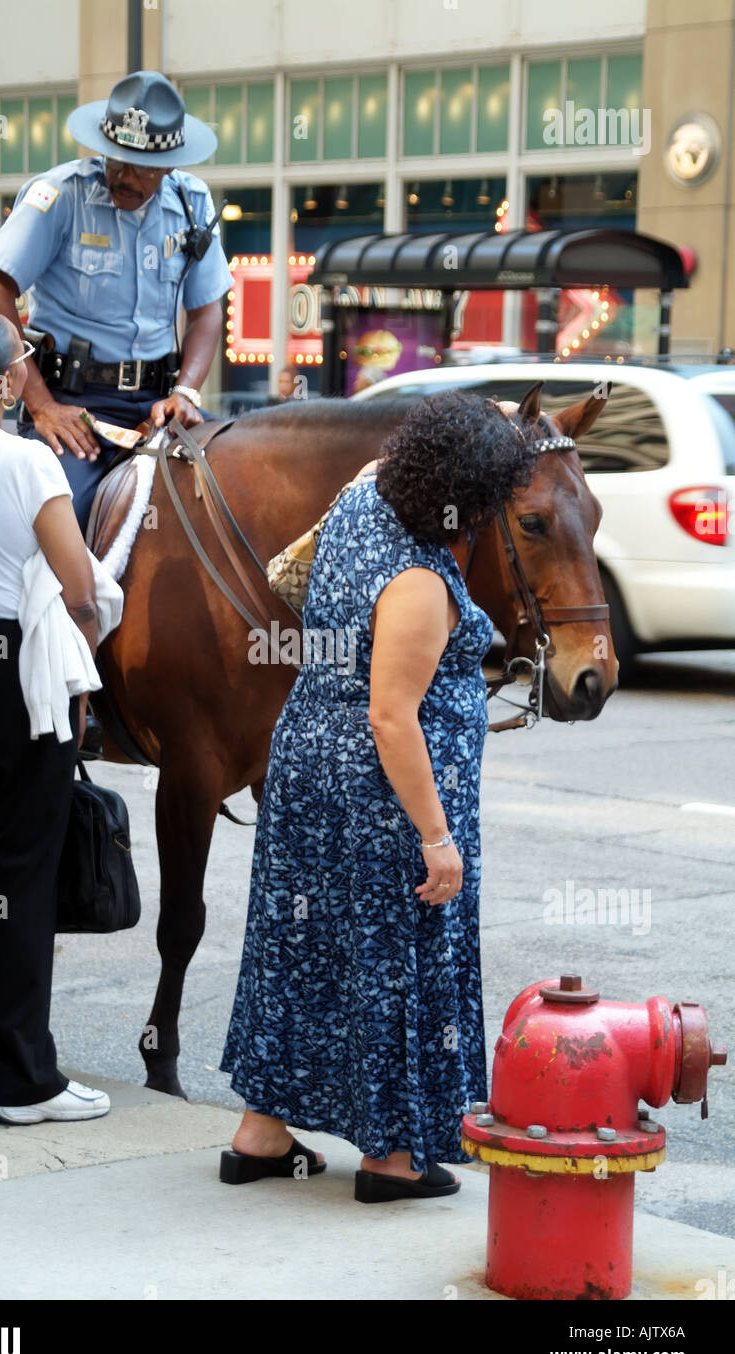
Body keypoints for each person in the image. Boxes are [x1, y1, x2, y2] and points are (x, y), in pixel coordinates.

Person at [219, 392, 535, 1201]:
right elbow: (393, 720)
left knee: (303, 948)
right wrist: (436, 836)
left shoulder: (365, 490)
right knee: (395, 959)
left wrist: (484, 421)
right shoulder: (421, 582)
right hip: (380, 792)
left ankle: (261, 1136)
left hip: (307, 762)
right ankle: (392, 1159)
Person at [0, 308, 110, 1124]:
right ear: (7, 382)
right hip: (18, 679)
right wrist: (80, 664)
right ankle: (26, 1081)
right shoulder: (28, 462)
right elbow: (79, 589)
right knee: (22, 873)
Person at [0, 70, 233, 530]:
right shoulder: (60, 197)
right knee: (57, 523)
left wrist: (185, 391)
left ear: (170, 164)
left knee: (238, 484)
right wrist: (41, 405)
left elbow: (207, 309)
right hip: (77, 407)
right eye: (115, 160)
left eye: (140, 167)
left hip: (160, 404)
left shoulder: (193, 203)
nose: (122, 177)